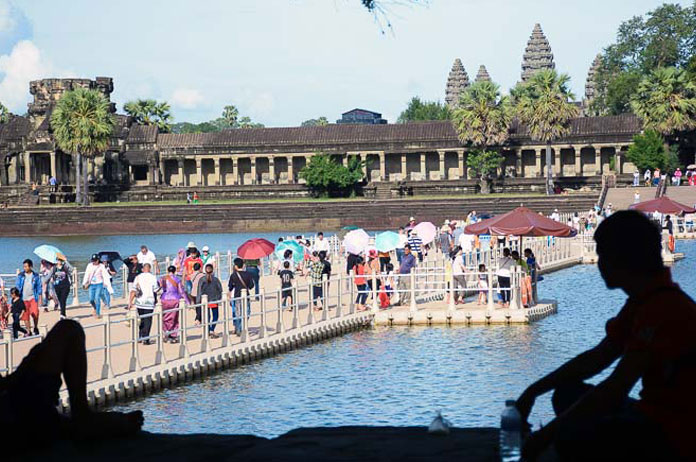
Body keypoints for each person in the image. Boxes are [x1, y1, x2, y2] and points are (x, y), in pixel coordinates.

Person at [517, 211, 693, 461]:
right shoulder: (645, 302)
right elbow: (598, 357)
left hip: (673, 431)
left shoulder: (662, 310)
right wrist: (534, 390)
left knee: (573, 436)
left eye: (603, 255)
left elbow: (615, 387)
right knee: (566, 394)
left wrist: (545, 437)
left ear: (621, 259)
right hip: (653, 414)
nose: (599, 263)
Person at [0, 319, 143, 447]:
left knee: (64, 333)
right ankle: (82, 416)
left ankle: (80, 420)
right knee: (69, 330)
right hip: (13, 405)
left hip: (11, 400)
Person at [128, 263, 159, 345]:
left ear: (142, 269)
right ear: (150, 269)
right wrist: (156, 299)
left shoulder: (138, 277)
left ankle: (141, 335)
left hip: (139, 302)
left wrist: (130, 302)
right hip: (149, 301)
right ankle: (146, 338)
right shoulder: (153, 277)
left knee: (141, 319)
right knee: (148, 320)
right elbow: (155, 290)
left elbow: (133, 290)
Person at [228, 258, 255, 335]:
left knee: (238, 313)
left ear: (236, 266)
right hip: (246, 295)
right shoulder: (248, 274)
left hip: (237, 296)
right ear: (243, 265)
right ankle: (241, 328)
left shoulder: (233, 275)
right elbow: (251, 286)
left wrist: (229, 293)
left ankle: (239, 328)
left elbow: (230, 286)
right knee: (247, 312)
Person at [159, 265, 185, 343]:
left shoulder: (163, 278)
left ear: (167, 270)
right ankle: (173, 335)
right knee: (174, 317)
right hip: (175, 299)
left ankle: (166, 332)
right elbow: (181, 291)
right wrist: (187, 301)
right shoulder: (177, 279)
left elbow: (158, 287)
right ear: (175, 271)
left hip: (164, 299)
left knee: (165, 316)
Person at [196, 264, 223, 338]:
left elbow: (199, 291)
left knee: (207, 317)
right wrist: (219, 298)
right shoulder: (216, 279)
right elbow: (220, 290)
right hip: (214, 300)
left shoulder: (202, 279)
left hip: (205, 301)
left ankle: (208, 330)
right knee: (215, 316)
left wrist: (198, 302)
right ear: (212, 270)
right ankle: (211, 329)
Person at [16, 258, 41, 335]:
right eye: (24, 266)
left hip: (33, 297)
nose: (25, 268)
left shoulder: (36, 276)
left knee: (35, 313)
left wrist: (40, 298)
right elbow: (17, 286)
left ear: (30, 267)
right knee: (25, 315)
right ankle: (28, 331)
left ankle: (35, 327)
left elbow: (39, 287)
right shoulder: (21, 276)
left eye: (26, 266)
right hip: (23, 298)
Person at [82, 254, 111, 319]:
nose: (94, 262)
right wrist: (84, 283)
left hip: (99, 284)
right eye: (93, 260)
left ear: (98, 260)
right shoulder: (89, 265)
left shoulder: (101, 266)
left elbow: (105, 275)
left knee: (97, 297)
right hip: (91, 284)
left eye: (95, 260)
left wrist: (106, 283)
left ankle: (98, 313)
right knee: (91, 299)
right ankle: (95, 307)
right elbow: (87, 274)